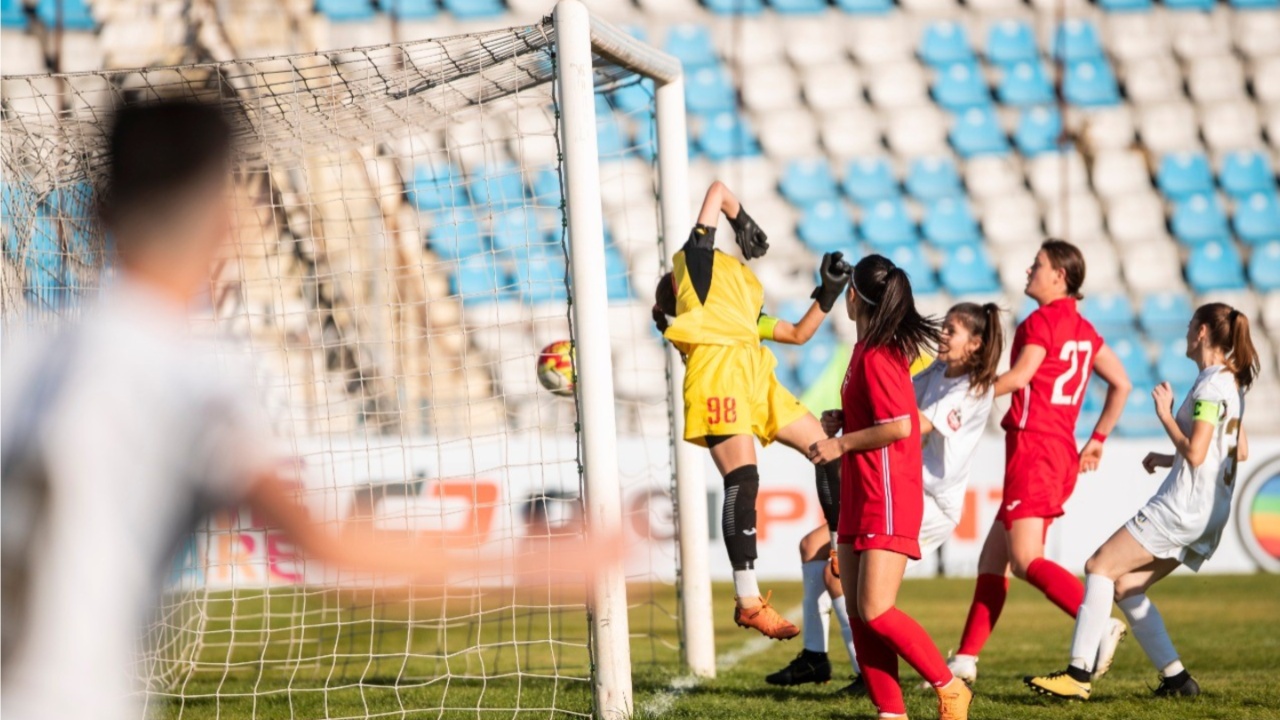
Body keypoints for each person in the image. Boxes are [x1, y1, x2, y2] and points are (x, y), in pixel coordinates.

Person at [0, 100, 616, 720]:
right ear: (225, 224)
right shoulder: (193, 380)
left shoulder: (18, 349)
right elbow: (327, 546)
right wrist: (532, 562)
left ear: (99, 208)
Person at [765, 303, 1002, 695]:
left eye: (952, 330)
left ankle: (890, 677)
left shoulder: (971, 389)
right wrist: (850, 414)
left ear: (975, 344)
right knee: (814, 548)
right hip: (903, 488)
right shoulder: (940, 371)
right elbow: (895, 403)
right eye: (943, 327)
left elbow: (908, 426)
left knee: (851, 586)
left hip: (930, 502)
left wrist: (846, 438)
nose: (942, 334)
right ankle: (817, 656)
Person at [1025, 303, 1257, 701]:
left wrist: (1165, 415)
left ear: (1202, 332)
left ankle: (1077, 673)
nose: (1185, 334)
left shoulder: (1210, 386)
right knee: (1128, 586)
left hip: (1182, 508)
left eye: (1189, 327)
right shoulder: (1230, 383)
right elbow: (1239, 450)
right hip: (1209, 513)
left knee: (1099, 566)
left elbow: (1199, 453)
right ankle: (1178, 681)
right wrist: (1170, 458)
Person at [653, 180, 850, 640]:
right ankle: (747, 599)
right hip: (718, 376)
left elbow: (799, 334)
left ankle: (842, 553)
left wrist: (829, 292)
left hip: (757, 377)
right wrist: (741, 219)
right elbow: (717, 190)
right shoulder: (695, 274)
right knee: (744, 480)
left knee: (828, 448)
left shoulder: (740, 312)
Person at [944, 240, 1132, 686]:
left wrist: (967, 391)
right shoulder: (1084, 330)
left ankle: (1097, 623)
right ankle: (966, 659)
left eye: (1039, 265)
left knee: (1027, 560)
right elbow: (1122, 383)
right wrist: (1098, 439)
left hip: (1035, 449)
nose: (1030, 270)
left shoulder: (1041, 322)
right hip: (1057, 448)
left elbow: (1021, 377)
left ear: (1059, 277)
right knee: (994, 561)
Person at [806, 254, 973, 720]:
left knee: (877, 610)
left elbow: (901, 426)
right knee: (858, 614)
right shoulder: (864, 350)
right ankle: (891, 712)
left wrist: (842, 446)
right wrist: (846, 421)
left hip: (887, 494)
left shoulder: (880, 353)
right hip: (863, 493)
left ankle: (950, 686)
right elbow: (881, 416)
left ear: (853, 296)